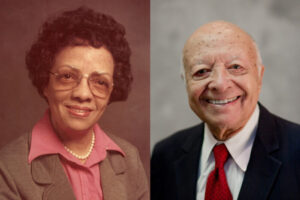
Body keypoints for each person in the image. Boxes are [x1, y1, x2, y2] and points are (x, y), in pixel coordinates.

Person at [0, 7, 149, 200]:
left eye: (100, 82)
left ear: (112, 90)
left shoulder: (130, 159)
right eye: (68, 76)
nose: (83, 94)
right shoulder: (8, 169)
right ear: (45, 83)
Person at [151, 21, 300, 200]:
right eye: (202, 71)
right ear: (185, 82)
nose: (220, 84)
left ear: (259, 76)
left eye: (236, 67)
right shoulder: (165, 155)